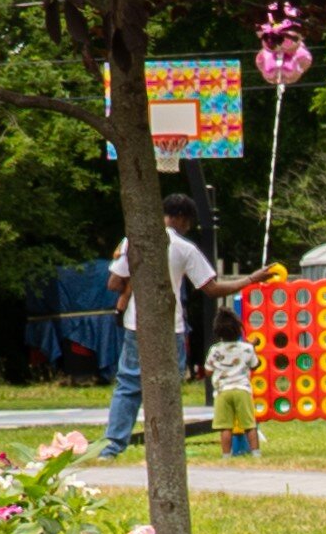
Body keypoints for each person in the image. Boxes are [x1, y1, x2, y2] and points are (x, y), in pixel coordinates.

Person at [97, 194, 244, 459]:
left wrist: (133, 285)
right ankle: (166, 445)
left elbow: (114, 283)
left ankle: (112, 447)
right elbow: (211, 288)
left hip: (136, 324)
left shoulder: (133, 240)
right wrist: (253, 279)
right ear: (179, 218)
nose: (187, 228)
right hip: (170, 327)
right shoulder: (184, 247)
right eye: (187, 223)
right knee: (169, 386)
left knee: (129, 384)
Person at [202, 305, 262, 457]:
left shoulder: (215, 350)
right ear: (238, 329)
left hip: (223, 391)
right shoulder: (246, 349)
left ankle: (226, 456)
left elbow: (208, 371)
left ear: (218, 331)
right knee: (249, 425)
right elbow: (255, 365)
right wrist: (252, 347)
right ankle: (256, 454)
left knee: (225, 427)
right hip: (242, 390)